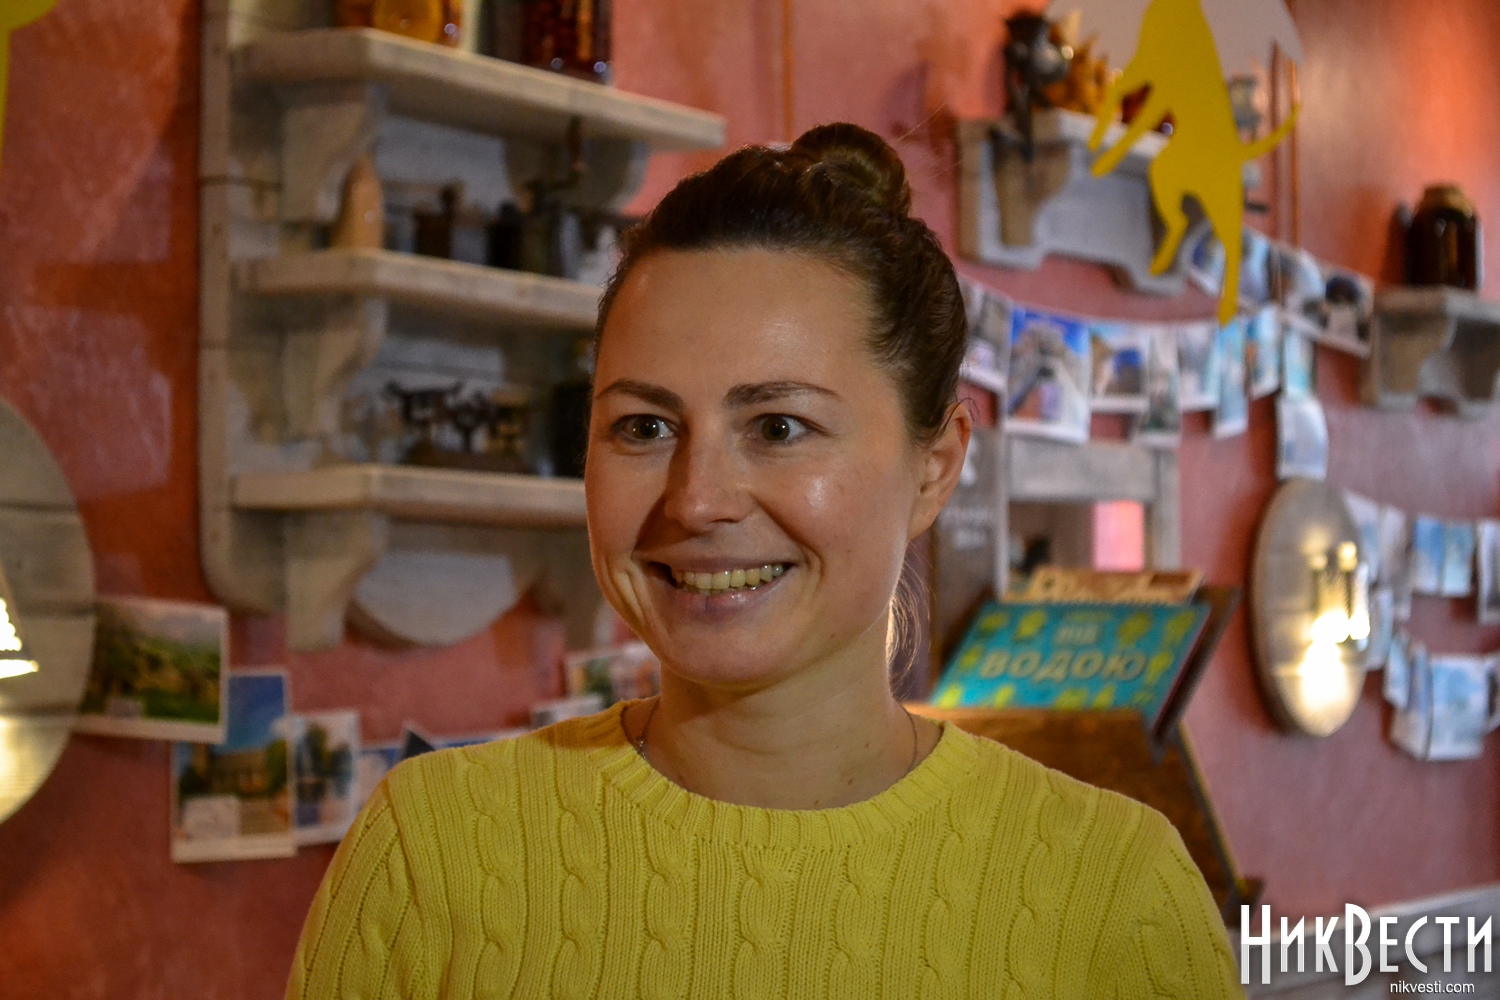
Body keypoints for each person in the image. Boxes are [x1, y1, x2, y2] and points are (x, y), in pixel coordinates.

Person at [285, 123, 1240, 999]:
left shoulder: (1115, 898)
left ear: (935, 468)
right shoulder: (432, 854)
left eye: (779, 426)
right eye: (644, 426)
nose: (696, 499)